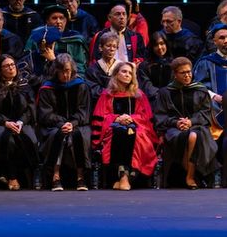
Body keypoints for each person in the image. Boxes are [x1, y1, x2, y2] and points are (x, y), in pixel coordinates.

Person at [91, 61, 159, 190]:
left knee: (135, 134)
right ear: (116, 74)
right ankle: (124, 175)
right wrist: (117, 118)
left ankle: (125, 176)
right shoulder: (106, 95)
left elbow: (146, 118)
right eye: (124, 71)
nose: (127, 75)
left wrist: (131, 118)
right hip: (112, 127)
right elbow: (100, 117)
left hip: (137, 127)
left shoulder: (139, 95)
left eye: (130, 73)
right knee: (120, 132)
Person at [153, 57, 218, 189]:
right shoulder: (165, 92)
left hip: (198, 126)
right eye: (183, 73)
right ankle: (192, 176)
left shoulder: (200, 90)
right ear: (175, 74)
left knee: (193, 135)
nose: (187, 75)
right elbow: (161, 116)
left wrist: (190, 121)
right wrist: (177, 123)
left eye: (189, 72)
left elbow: (206, 114)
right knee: (190, 136)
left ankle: (189, 175)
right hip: (173, 128)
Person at [0, 54, 39, 191]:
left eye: (13, 65)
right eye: (6, 66)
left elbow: (31, 108)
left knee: (30, 139)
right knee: (8, 140)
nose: (11, 68)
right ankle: (11, 176)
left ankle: (28, 175)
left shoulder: (23, 83)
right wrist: (6, 122)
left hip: (21, 123)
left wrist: (20, 121)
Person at [36, 53, 92, 191]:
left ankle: (80, 177)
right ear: (56, 71)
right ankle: (55, 176)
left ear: (72, 69)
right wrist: (62, 124)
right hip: (53, 126)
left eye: (67, 71)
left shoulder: (81, 85)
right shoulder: (47, 88)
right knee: (57, 135)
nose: (65, 75)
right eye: (61, 71)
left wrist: (72, 123)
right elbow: (45, 114)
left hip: (78, 124)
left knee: (80, 136)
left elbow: (84, 112)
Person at [26, 4, 90, 77]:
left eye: (61, 18)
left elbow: (80, 66)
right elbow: (28, 61)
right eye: (54, 18)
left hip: (69, 79)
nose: (58, 21)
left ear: (66, 20)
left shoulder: (75, 39)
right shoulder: (37, 37)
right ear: (47, 20)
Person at [85, 31, 123, 101]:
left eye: (114, 47)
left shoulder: (121, 68)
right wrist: (110, 93)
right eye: (108, 46)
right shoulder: (92, 70)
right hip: (99, 104)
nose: (111, 49)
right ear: (100, 47)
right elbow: (93, 90)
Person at [137, 31, 174, 99]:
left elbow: (174, 84)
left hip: (170, 100)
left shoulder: (173, 64)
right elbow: (146, 85)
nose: (159, 47)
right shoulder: (144, 66)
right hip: (152, 100)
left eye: (162, 43)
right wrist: (159, 96)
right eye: (156, 45)